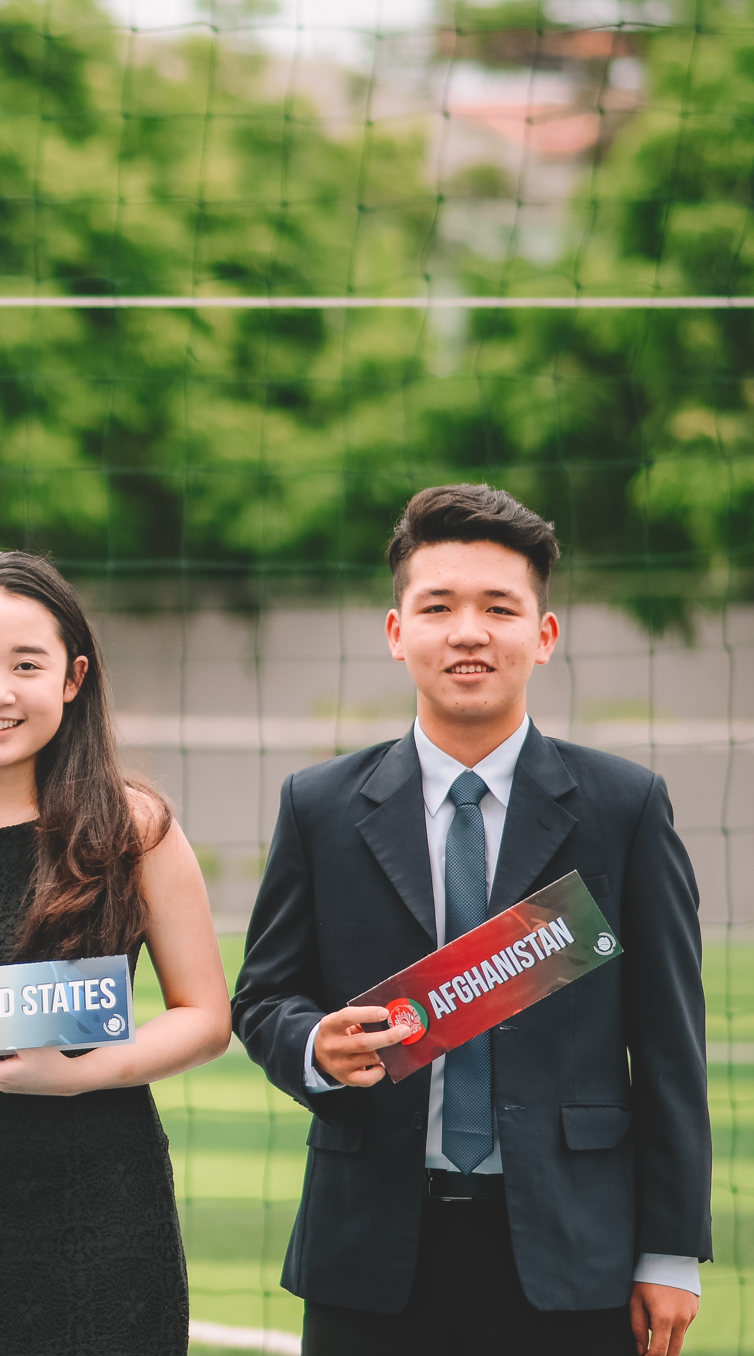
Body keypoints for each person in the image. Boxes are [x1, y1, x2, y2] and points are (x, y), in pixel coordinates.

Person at [230, 484, 710, 1356]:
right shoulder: (320, 806)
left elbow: (671, 1041)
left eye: (499, 607)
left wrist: (672, 1250)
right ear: (395, 631)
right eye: (438, 606)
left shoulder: (623, 807)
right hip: (369, 1250)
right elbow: (263, 999)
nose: (468, 631)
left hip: (573, 1251)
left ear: (544, 635)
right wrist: (314, 1048)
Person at [0, 549, 230, 1356]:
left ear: (72, 678)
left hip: (107, 1209)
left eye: (26, 664)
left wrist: (78, 1072)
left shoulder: (135, 830)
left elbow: (205, 1017)